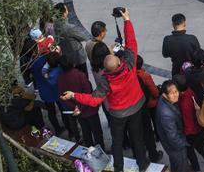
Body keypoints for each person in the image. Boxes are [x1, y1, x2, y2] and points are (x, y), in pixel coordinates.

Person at [60, 9, 149, 172]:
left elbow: (93, 99)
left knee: (117, 140)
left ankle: (119, 168)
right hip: (136, 106)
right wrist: (127, 20)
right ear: (118, 61)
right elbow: (131, 42)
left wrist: (74, 95)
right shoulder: (129, 64)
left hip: (117, 114)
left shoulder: (105, 80)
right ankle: (142, 164)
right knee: (137, 137)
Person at [56, 56, 103, 148]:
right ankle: (102, 152)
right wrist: (81, 107)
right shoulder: (80, 75)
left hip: (78, 112)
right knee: (97, 133)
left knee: (86, 133)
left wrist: (75, 108)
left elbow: (63, 97)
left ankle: (91, 151)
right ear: (73, 64)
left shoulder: (60, 79)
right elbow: (89, 93)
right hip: (89, 109)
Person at [156, 80, 189, 172]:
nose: (176, 95)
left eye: (176, 91)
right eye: (172, 93)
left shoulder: (165, 100)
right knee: (180, 164)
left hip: (171, 141)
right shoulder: (166, 115)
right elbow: (173, 137)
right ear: (164, 95)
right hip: (175, 146)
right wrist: (183, 144)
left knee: (177, 164)